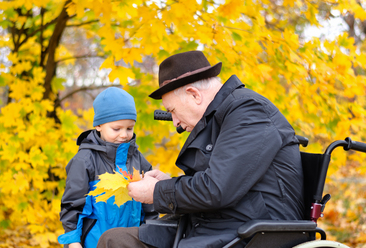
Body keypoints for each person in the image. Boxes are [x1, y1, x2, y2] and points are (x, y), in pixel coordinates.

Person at [97, 50, 305, 248]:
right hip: (212, 223)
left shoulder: (249, 112)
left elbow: (217, 189)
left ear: (194, 94)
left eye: (173, 111)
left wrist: (157, 192)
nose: (175, 123)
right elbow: (215, 181)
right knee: (114, 240)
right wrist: (168, 184)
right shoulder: (221, 116)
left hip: (252, 232)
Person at [58, 87, 153, 248]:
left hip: (132, 243)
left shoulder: (137, 159)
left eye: (129, 128)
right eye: (117, 129)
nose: (124, 135)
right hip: (94, 243)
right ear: (99, 126)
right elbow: (72, 205)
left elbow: (150, 207)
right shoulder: (85, 160)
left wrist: (153, 235)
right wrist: (73, 242)